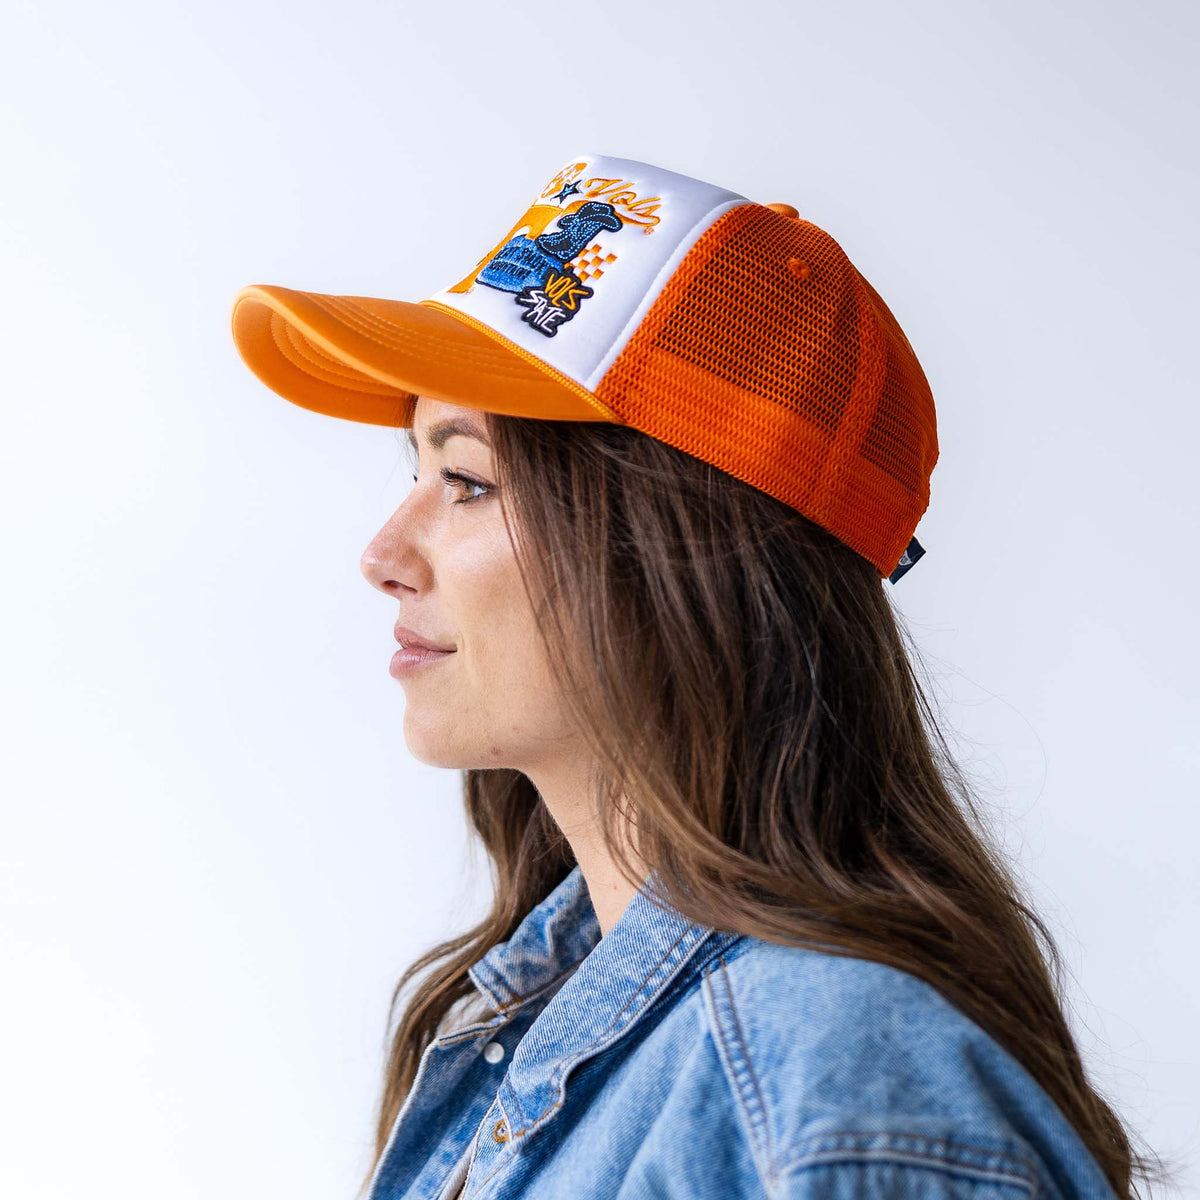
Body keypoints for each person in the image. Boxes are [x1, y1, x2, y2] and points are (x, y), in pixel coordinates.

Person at [230, 154, 1170, 1200]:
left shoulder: (837, 1091)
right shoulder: (536, 1016)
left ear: (688, 552)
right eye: (414, 472)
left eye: (467, 481)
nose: (382, 554)